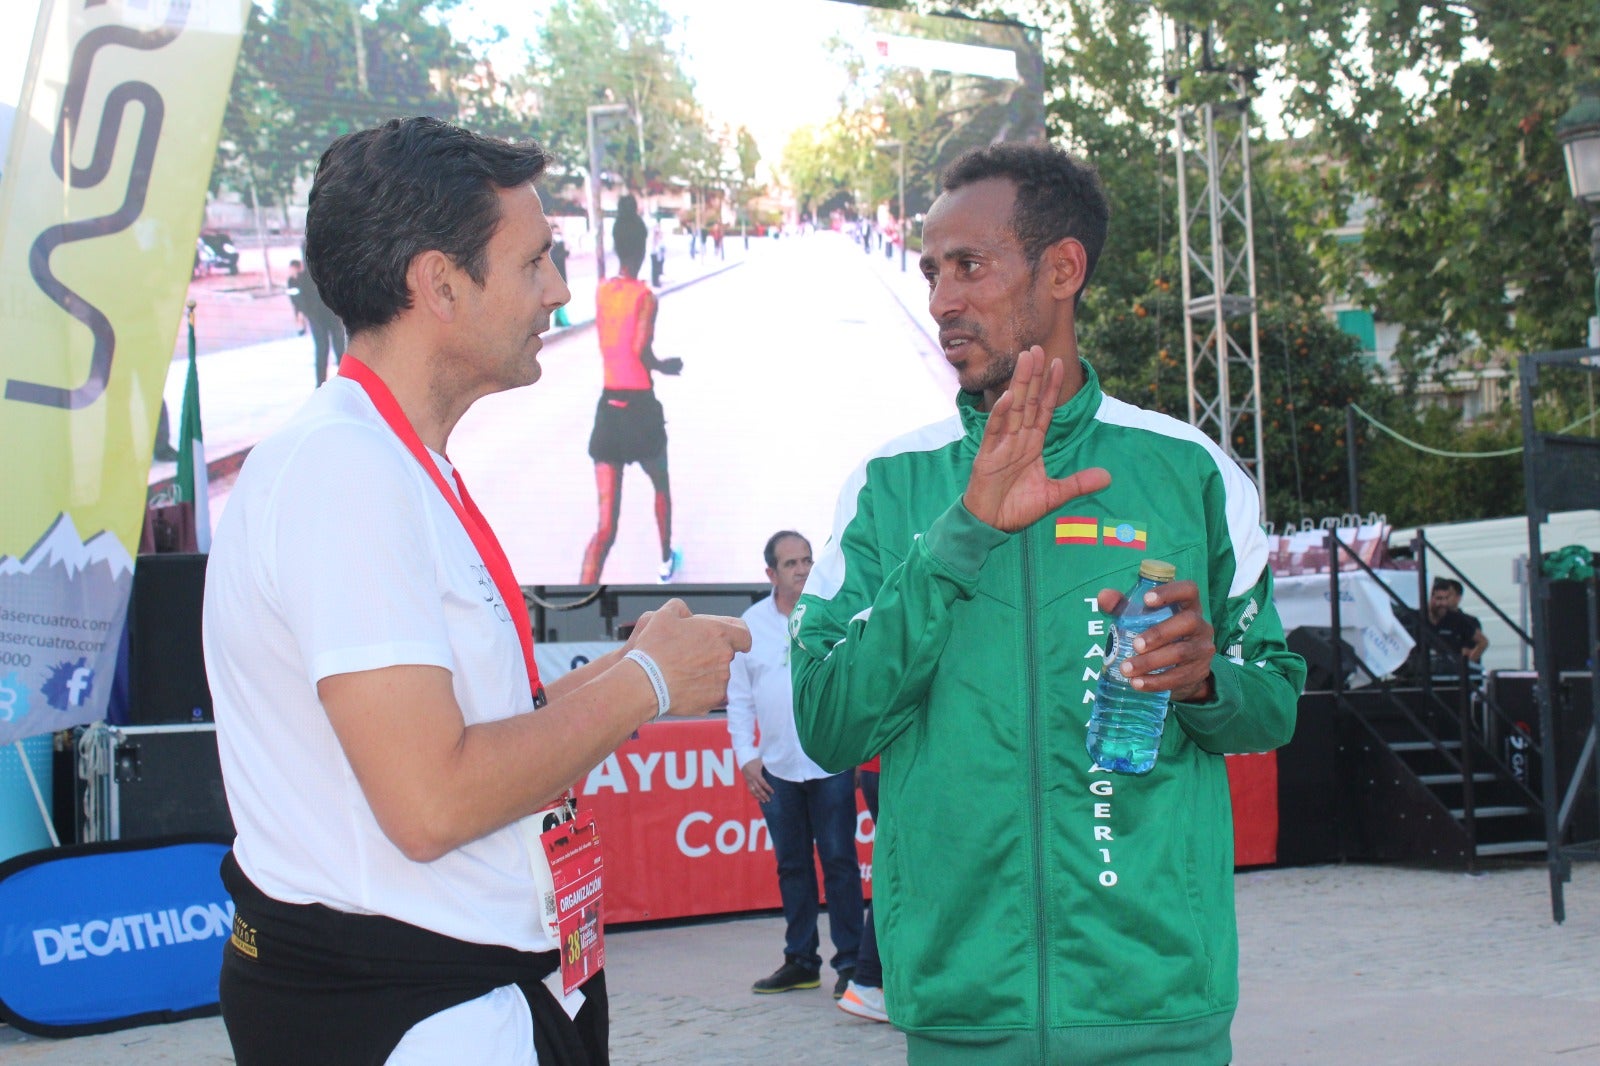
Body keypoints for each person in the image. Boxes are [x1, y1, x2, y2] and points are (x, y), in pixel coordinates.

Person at [202, 116, 750, 1066]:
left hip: (453, 994)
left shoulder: (392, 462)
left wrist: (634, 664)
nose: (560, 290)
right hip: (414, 1014)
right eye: (535, 260)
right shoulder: (346, 471)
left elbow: (486, 729)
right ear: (439, 284)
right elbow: (433, 801)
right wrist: (647, 687)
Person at [790, 142, 1305, 1064]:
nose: (941, 301)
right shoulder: (891, 485)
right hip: (963, 1013)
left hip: (1156, 1009)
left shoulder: (1188, 471)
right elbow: (828, 723)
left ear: (1062, 269)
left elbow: (1273, 702)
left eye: (969, 267)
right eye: (931, 272)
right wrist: (964, 531)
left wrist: (1204, 684)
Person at [727, 531, 862, 999]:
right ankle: (801, 960)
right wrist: (746, 756)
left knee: (841, 863)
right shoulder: (751, 624)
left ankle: (851, 964)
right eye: (791, 564)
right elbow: (739, 698)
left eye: (808, 560)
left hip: (832, 762)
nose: (803, 570)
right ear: (771, 574)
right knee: (792, 866)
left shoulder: (833, 616)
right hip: (778, 769)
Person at [579, 195, 682, 585]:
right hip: (640, 408)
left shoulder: (602, 291)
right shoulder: (645, 297)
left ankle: (578, 602)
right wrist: (666, 366)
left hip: (608, 408)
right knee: (661, 486)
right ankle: (665, 560)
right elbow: (640, 350)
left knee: (605, 526)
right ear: (641, 250)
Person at [835, 754, 887, 1023]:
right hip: (893, 767)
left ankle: (870, 980)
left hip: (880, 766)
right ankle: (868, 980)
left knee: (899, 875)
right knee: (901, 877)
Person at [286, 257, 347, 387]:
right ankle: (326, 382)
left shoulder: (310, 276)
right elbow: (301, 299)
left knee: (332, 349)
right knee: (328, 349)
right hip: (323, 317)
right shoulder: (305, 278)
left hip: (326, 316)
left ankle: (331, 381)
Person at [1428, 577, 1488, 665]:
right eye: (1439, 598)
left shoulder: (1460, 620)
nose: (1444, 603)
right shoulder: (1416, 618)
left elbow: (1482, 642)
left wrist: (1465, 667)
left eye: (1447, 597)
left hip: (1452, 673)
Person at [549, 223, 570, 328]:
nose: (558, 234)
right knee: (559, 299)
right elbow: (556, 257)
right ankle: (561, 320)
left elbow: (565, 255)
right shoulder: (552, 245)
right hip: (556, 276)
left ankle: (559, 320)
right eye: (556, 232)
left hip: (562, 274)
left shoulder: (559, 243)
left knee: (559, 300)